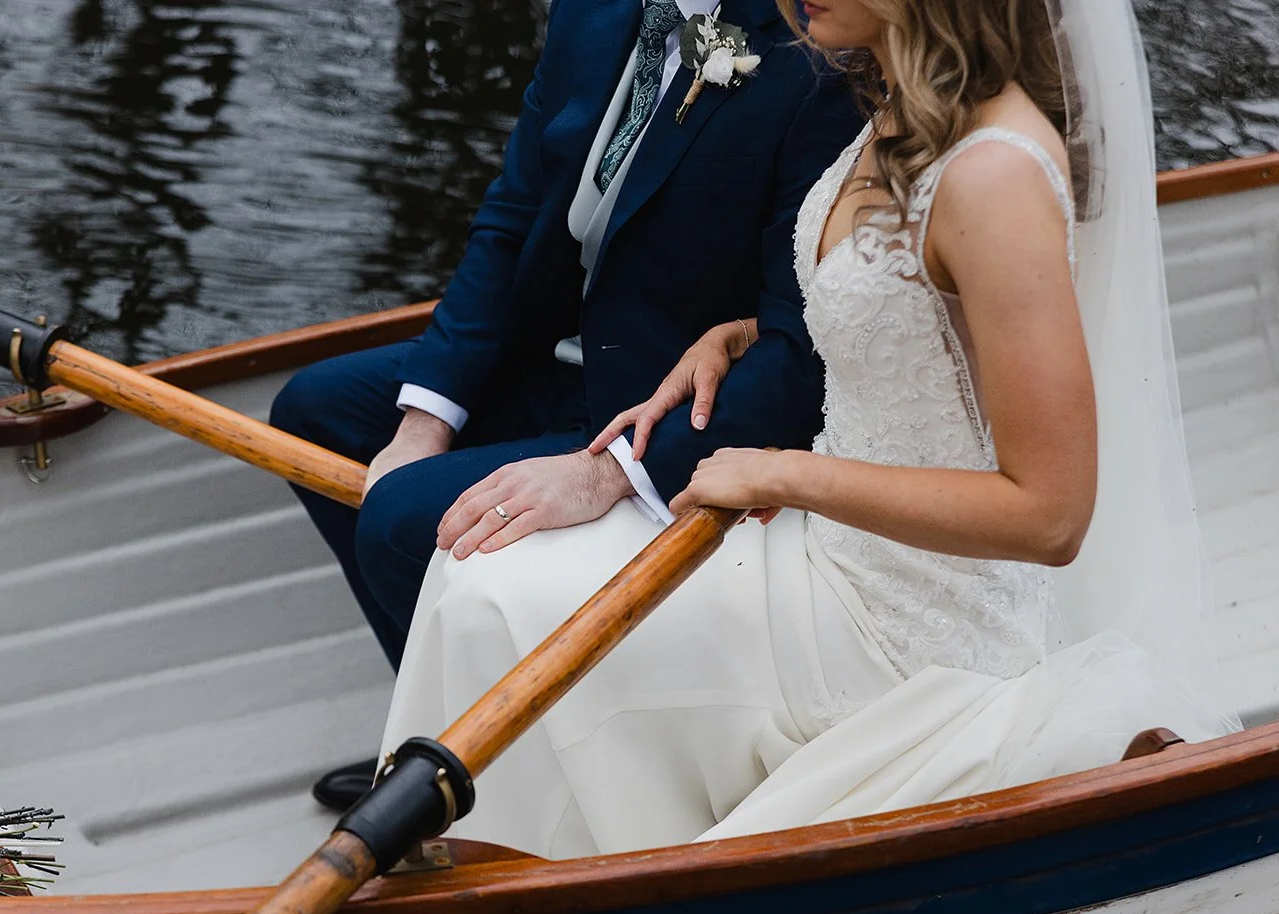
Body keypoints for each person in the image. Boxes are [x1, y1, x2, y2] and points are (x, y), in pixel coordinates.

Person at [377, 0, 1243, 859]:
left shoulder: (996, 175)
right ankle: (474, 869)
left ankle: (511, 896)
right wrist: (736, 336)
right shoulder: (898, 104)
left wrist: (783, 476)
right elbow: (909, 315)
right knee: (478, 569)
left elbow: (1051, 516)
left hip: (910, 624)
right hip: (825, 554)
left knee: (493, 598)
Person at [270, 0, 862, 809]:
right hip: (563, 349)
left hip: (664, 401)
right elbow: (515, 211)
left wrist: (614, 470)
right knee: (320, 409)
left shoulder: (815, 45)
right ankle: (443, 736)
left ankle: (478, 772)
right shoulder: (599, 8)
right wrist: (425, 422)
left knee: (402, 518)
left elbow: (804, 351)